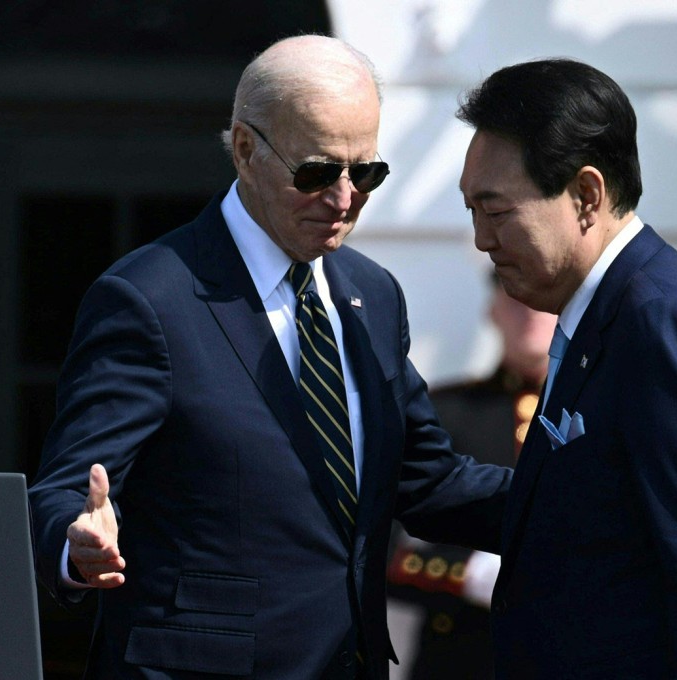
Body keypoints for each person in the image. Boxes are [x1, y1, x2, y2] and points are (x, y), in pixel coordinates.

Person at [27, 35, 511, 680]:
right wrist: (75, 545)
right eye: (317, 172)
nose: (343, 199)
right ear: (247, 150)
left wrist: (587, 492)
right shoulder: (149, 298)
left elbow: (427, 480)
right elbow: (65, 490)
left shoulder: (371, 293)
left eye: (365, 172)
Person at [456, 58, 677, 679]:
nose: (481, 240)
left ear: (586, 196)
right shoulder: (613, 313)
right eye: (472, 212)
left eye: (496, 212)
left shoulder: (661, 328)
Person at [387, 276, 555, 680]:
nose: (529, 313)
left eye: (543, 304)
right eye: (515, 299)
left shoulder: (600, 418)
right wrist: (467, 574)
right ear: (492, 311)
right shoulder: (444, 413)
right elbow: (380, 551)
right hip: (460, 657)